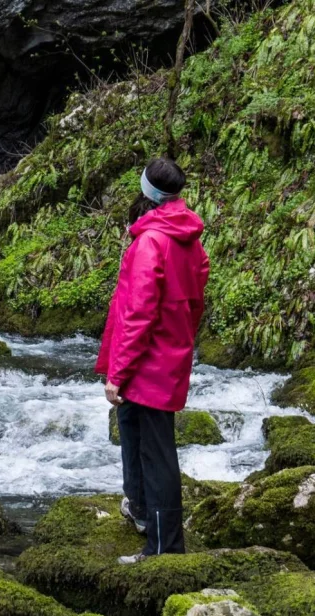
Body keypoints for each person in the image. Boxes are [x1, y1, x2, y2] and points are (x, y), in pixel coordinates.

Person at [95, 157, 210, 564]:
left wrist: (117, 372)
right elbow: (195, 300)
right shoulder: (188, 239)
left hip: (148, 360)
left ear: (147, 191)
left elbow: (138, 312)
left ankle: (164, 548)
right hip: (168, 353)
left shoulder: (151, 242)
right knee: (131, 429)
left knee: (157, 452)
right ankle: (141, 511)